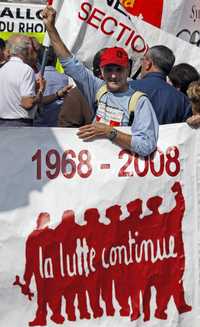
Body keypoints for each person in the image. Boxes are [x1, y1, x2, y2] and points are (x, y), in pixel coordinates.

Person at [42, 5, 158, 157]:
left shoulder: (140, 102)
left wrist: (109, 132)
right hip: (97, 171)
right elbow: (69, 62)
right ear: (101, 72)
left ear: (128, 70)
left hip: (122, 177)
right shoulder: (98, 88)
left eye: (119, 70)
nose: (114, 76)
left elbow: (147, 145)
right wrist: (51, 28)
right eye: (109, 70)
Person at [130, 45, 192, 124]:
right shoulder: (183, 102)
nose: (141, 64)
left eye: (143, 60)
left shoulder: (126, 88)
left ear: (148, 64)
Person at [0, 34, 45, 127]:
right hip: (19, 124)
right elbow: (27, 103)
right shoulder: (26, 70)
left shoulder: (3, 68)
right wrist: (41, 90)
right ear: (27, 51)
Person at [33, 45, 70, 126]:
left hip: (37, 126)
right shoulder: (65, 78)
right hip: (56, 124)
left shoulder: (33, 77)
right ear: (55, 60)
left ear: (38, 60)